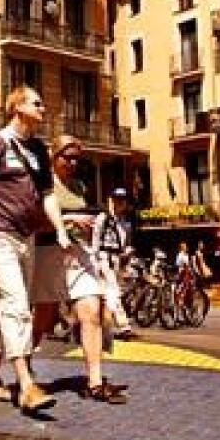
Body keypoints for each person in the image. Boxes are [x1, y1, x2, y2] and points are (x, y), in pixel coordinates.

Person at [0, 85, 67, 415]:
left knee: (5, 310)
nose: (43, 108)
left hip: (28, 238)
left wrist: (61, 229)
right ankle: (26, 384)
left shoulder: (37, 148)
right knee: (16, 305)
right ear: (17, 108)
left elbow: (47, 194)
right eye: (37, 103)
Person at [38, 135, 126, 404]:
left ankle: (95, 382)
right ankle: (23, 371)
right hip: (48, 254)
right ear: (53, 156)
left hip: (78, 254)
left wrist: (89, 225)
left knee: (91, 310)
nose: (73, 163)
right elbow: (34, 223)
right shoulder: (43, 183)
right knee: (43, 320)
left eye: (77, 158)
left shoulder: (79, 186)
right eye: (67, 157)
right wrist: (67, 219)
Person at [93, 187, 136, 340]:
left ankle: (79, 322)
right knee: (113, 291)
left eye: (122, 200)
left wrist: (127, 254)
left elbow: (126, 244)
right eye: (117, 199)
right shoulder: (102, 219)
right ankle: (124, 326)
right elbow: (95, 241)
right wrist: (95, 261)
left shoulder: (125, 223)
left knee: (105, 293)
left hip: (117, 260)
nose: (120, 203)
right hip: (104, 259)